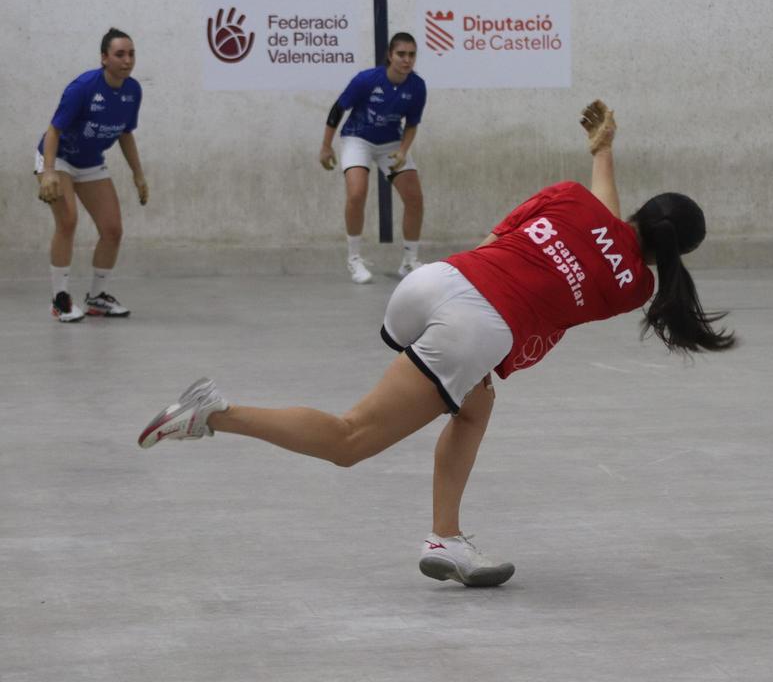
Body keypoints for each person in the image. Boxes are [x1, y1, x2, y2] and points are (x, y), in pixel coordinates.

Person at [139, 100, 736, 587]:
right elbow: (615, 246)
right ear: (676, 252)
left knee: (476, 406)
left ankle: (446, 536)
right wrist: (605, 157)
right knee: (351, 440)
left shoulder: (571, 196)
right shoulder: (635, 287)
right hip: (475, 327)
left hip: (434, 283)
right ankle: (215, 414)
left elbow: (601, 220)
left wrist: (604, 151)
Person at [36, 28, 149, 322]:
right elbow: (54, 130)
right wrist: (48, 171)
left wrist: (138, 175)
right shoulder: (83, 87)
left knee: (112, 230)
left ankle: (97, 299)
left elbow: (125, 134)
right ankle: (60, 299)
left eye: (131, 54)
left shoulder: (133, 90)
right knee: (68, 220)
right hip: (57, 158)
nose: (127, 60)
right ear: (104, 58)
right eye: (119, 54)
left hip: (89, 163)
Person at [319, 32, 427, 284]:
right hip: (358, 139)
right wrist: (326, 146)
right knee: (357, 194)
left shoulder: (417, 86)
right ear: (390, 55)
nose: (407, 60)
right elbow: (338, 109)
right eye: (401, 54)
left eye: (412, 55)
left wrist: (402, 151)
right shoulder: (366, 80)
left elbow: (411, 124)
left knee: (414, 198)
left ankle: (409, 262)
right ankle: (354, 259)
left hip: (390, 143)